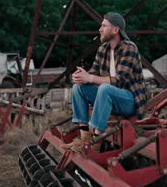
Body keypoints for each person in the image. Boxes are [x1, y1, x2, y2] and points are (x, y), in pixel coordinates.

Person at [61, 12, 148, 153]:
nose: (100, 29)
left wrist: (90, 78)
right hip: (109, 100)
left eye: (104, 26)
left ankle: (96, 141)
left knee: (105, 88)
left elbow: (120, 81)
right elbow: (93, 74)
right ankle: (84, 138)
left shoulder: (129, 48)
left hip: (129, 101)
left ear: (116, 30)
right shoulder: (103, 49)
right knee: (79, 86)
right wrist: (81, 76)